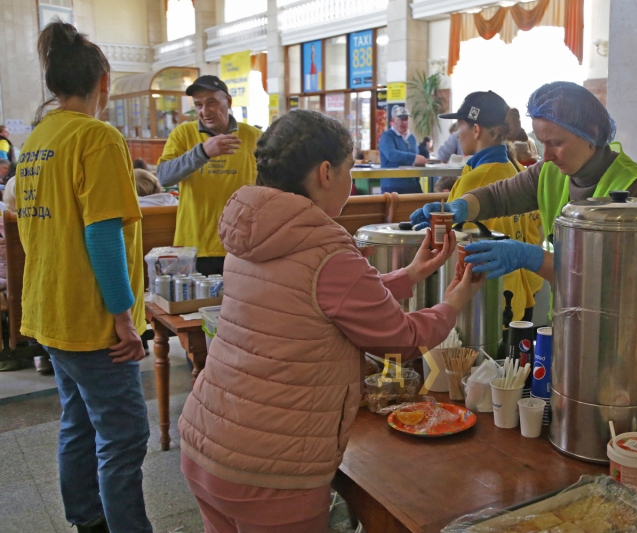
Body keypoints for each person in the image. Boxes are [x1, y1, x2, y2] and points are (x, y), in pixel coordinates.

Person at [178, 109, 485, 532]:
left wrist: (412, 275)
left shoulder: (251, 235)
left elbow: (325, 298)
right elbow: (401, 339)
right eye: (350, 169)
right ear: (325, 173)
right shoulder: (327, 252)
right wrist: (456, 298)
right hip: (272, 473)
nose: (352, 182)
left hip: (206, 444)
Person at [411, 81, 637, 368]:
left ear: (591, 133)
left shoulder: (632, 188)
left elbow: (606, 281)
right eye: (543, 143)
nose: (548, 154)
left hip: (630, 344)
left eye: (556, 143)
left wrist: (529, 257)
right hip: (578, 329)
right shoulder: (551, 171)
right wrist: (460, 208)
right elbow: (500, 195)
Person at [16, 21, 151, 533]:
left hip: (50, 310)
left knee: (78, 420)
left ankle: (87, 520)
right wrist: (122, 318)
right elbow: (102, 235)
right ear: (103, 82)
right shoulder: (96, 136)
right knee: (122, 434)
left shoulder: (36, 140)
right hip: (91, 318)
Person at [439, 91, 543, 321]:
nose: (457, 133)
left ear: (476, 130)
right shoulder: (517, 169)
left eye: (460, 125)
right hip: (522, 295)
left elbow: (449, 242)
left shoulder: (475, 179)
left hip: (488, 301)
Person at [157, 75, 259, 275]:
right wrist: (202, 153)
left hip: (243, 246)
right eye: (199, 105)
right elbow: (164, 177)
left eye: (211, 102)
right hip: (194, 247)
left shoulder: (253, 136)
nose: (205, 111)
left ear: (228, 101)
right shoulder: (182, 134)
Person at [378, 105, 427, 193]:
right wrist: (414, 157)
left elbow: (414, 160)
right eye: (401, 119)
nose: (404, 122)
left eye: (406, 119)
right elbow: (392, 154)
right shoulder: (387, 136)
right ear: (393, 121)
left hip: (412, 184)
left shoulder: (411, 137)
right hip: (392, 185)